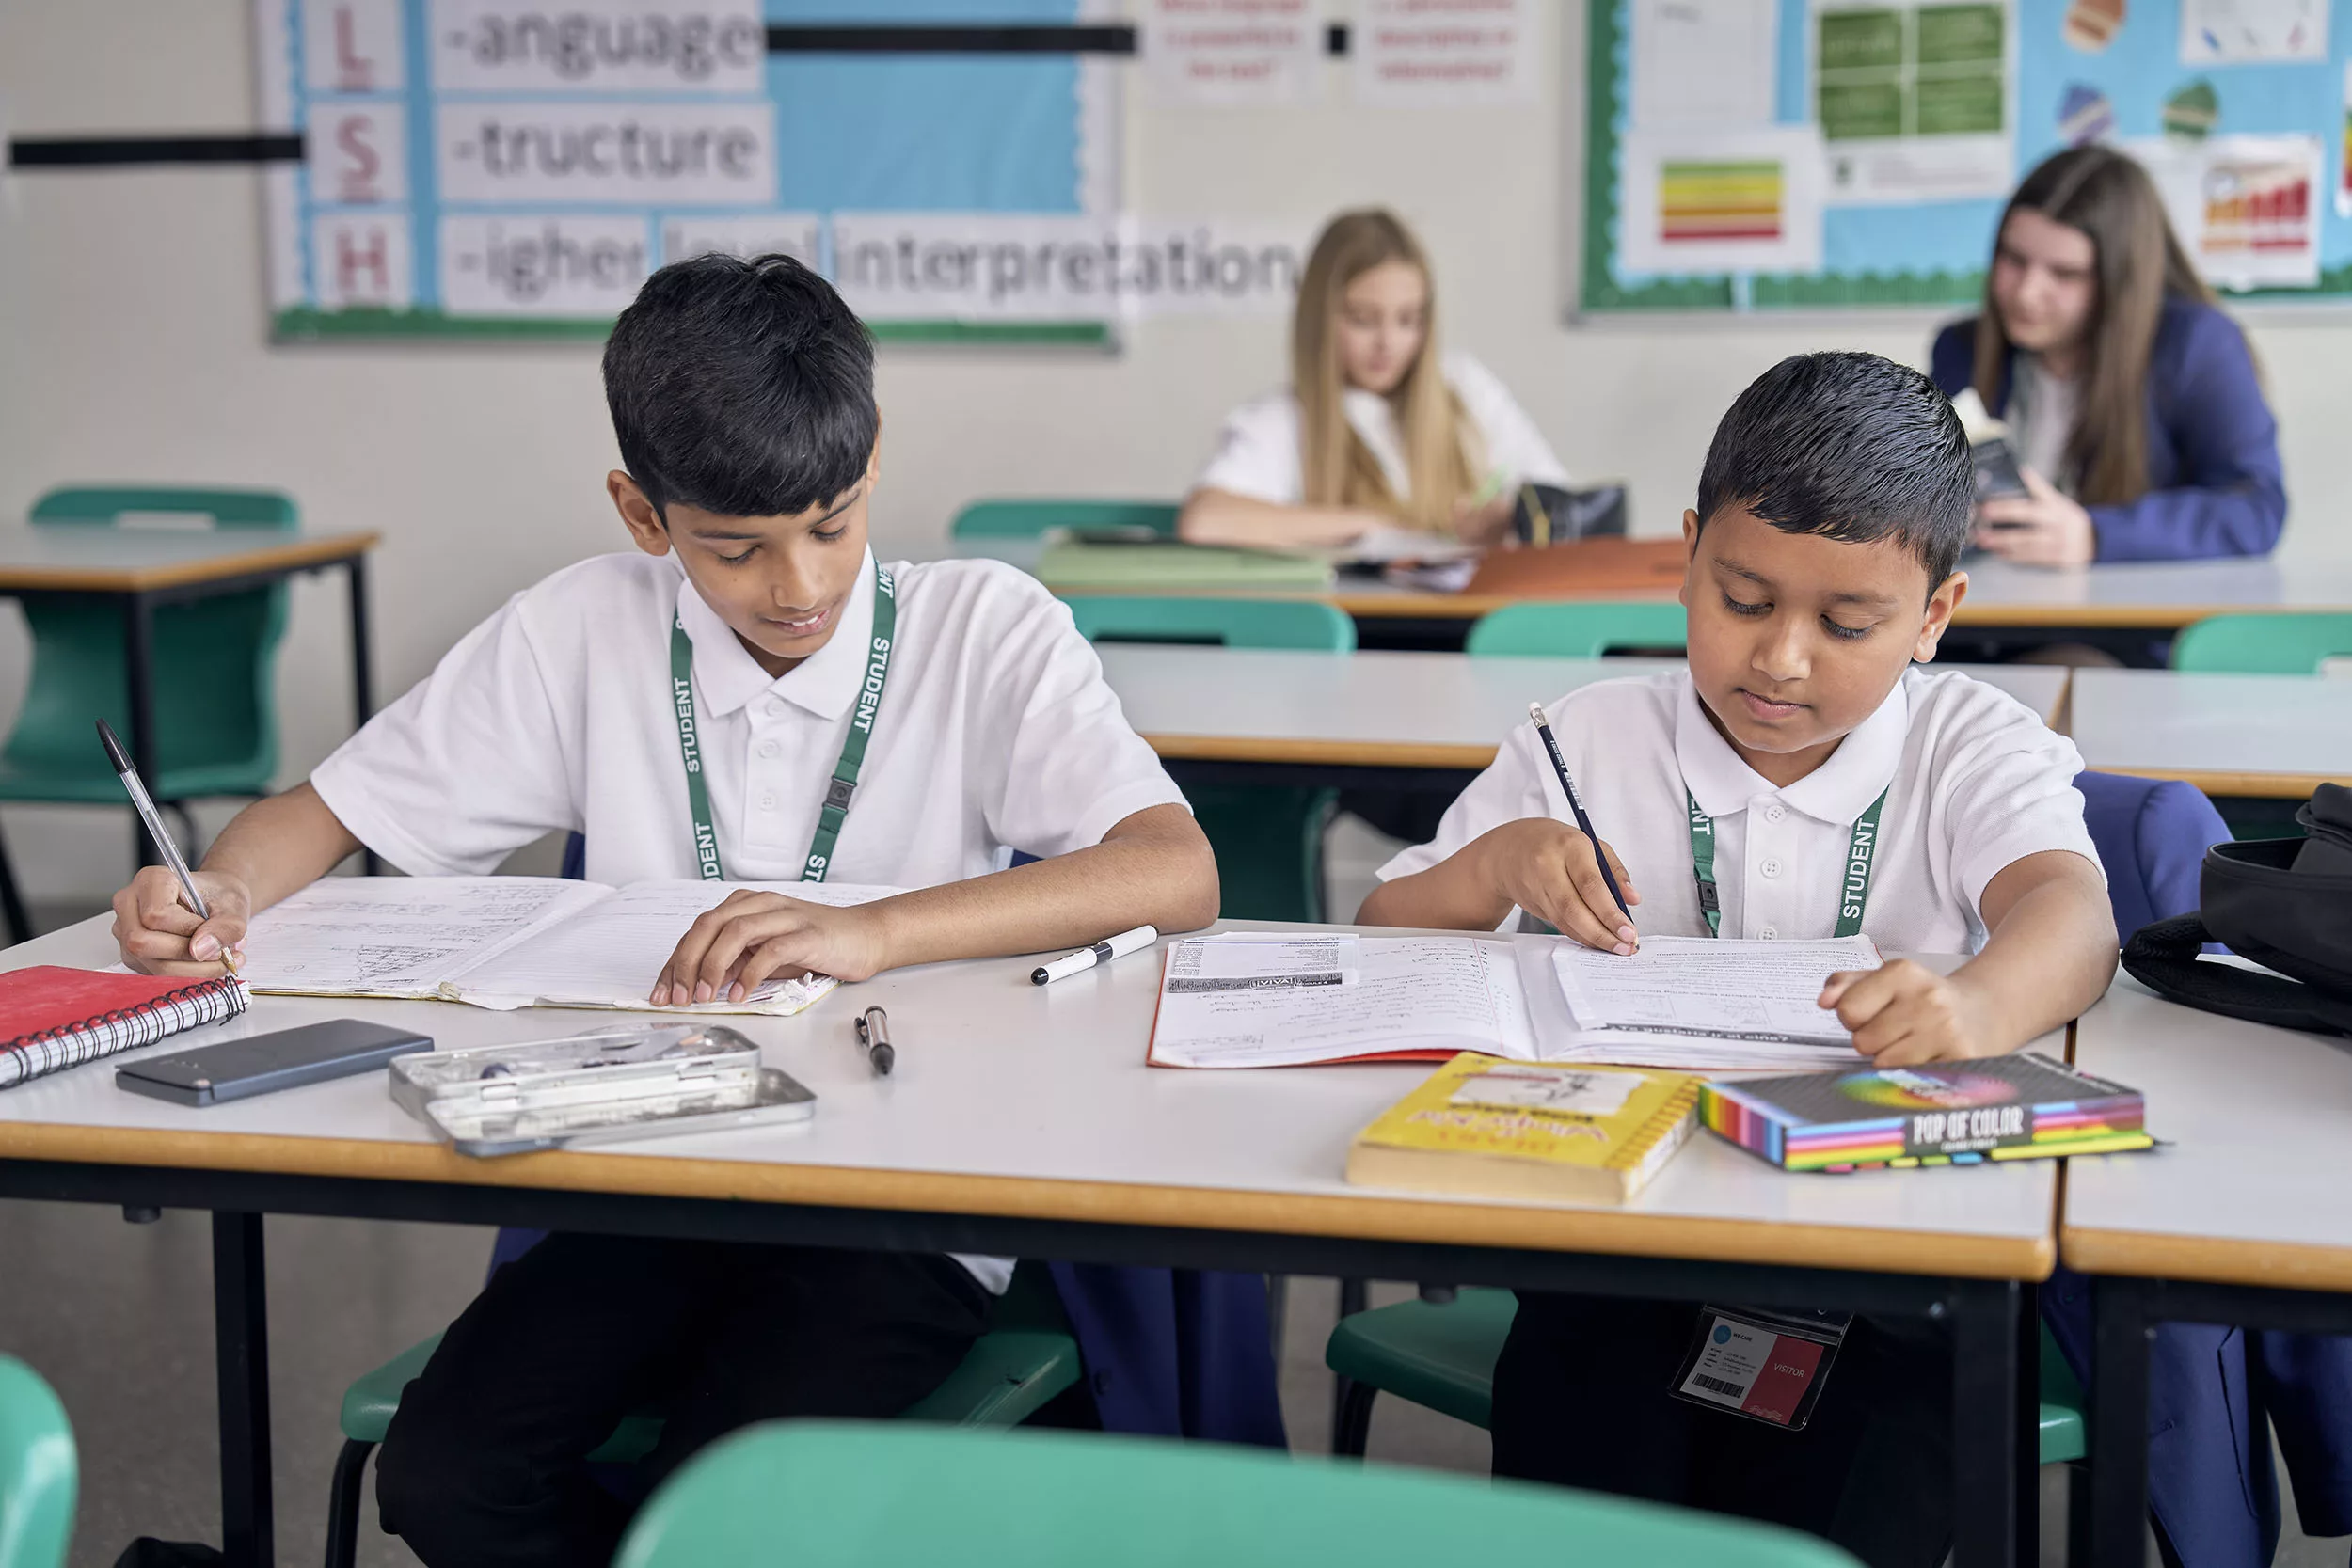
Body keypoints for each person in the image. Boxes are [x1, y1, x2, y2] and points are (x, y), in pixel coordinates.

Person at [107, 253, 1221, 1568]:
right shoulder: (582, 628)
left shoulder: (986, 628)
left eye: (834, 520)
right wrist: (224, 881)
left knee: (720, 1503)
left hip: (900, 1212)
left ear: (872, 459)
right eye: (735, 547)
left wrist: (874, 926)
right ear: (644, 513)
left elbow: (1175, 868)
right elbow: (322, 811)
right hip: (649, 1177)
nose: (798, 583)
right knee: (443, 1473)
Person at [1359, 351, 2117, 1568]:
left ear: (1934, 615)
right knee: (1587, 1508)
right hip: (1623, 1255)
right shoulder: (1584, 741)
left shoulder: (1974, 745)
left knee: (1843, 1510)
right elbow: (1384, 930)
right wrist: (1495, 865)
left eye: (1847, 621)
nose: (1782, 659)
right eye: (1745, 599)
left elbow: (2074, 917)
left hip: (1898, 1272)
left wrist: (1976, 997)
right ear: (1686, 553)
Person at [1930, 145, 2285, 566]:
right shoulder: (1959, 347)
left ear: (2120, 283)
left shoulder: (2197, 344)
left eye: (2064, 274)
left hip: (2122, 623)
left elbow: (2256, 510)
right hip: (1981, 617)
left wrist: (2096, 536)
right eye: (2013, 258)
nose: (2026, 292)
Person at [1178, 207, 1568, 552]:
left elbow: (1561, 502)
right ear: (1321, 317)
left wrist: (1507, 518)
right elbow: (1206, 520)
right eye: (1363, 319)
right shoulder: (1285, 419)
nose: (1388, 343)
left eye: (1408, 320)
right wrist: (1375, 524)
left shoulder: (1464, 387)